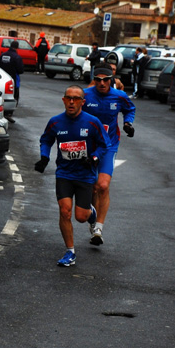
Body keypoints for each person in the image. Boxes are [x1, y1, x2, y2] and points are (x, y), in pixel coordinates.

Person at [34, 85, 110, 267]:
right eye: (68, 98)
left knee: (80, 217)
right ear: (63, 100)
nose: (71, 102)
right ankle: (70, 252)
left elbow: (104, 144)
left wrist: (94, 157)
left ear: (82, 102)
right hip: (64, 173)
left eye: (76, 99)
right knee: (65, 210)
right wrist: (44, 157)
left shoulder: (92, 122)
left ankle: (91, 214)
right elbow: (46, 140)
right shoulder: (55, 122)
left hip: (85, 174)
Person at [83, 63, 136, 245]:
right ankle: (91, 215)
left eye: (106, 80)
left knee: (103, 186)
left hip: (109, 145)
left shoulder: (119, 96)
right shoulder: (85, 95)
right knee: (91, 187)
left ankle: (98, 228)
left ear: (111, 80)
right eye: (98, 80)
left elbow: (130, 109)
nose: (102, 83)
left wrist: (127, 123)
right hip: (88, 147)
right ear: (94, 80)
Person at [0, 40, 25, 123]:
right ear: (17, 47)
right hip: (13, 80)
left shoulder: (2, 55)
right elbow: (20, 70)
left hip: (2, 79)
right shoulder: (17, 57)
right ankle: (9, 114)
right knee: (14, 97)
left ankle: (2, 111)